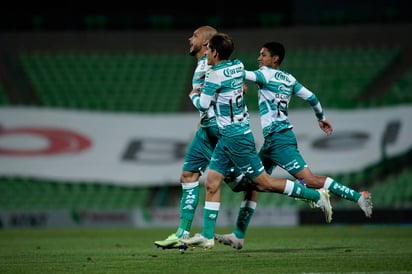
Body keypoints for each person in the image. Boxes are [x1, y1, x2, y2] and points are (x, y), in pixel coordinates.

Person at [215, 41, 373, 250]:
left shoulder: (266, 75)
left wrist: (221, 66)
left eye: (263, 55)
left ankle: (358, 197)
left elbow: (243, 74)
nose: (259, 58)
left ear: (275, 59)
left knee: (309, 179)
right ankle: (238, 236)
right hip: (273, 141)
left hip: (279, 139)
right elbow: (312, 97)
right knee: (253, 185)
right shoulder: (289, 79)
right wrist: (321, 117)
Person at [181, 33, 333, 250]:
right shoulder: (237, 65)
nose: (205, 54)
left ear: (214, 52)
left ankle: (315, 195)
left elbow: (203, 105)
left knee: (264, 183)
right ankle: (206, 236)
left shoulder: (214, 75)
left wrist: (193, 94)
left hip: (237, 138)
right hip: (228, 136)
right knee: (212, 182)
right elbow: (237, 80)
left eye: (208, 51)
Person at [153, 26, 256, 251]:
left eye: (195, 36)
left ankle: (305, 190)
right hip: (206, 131)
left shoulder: (209, 67)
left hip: (219, 132)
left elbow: (215, 93)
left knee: (249, 184)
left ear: (207, 42)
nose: (190, 38)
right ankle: (182, 234)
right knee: (188, 175)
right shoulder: (204, 65)